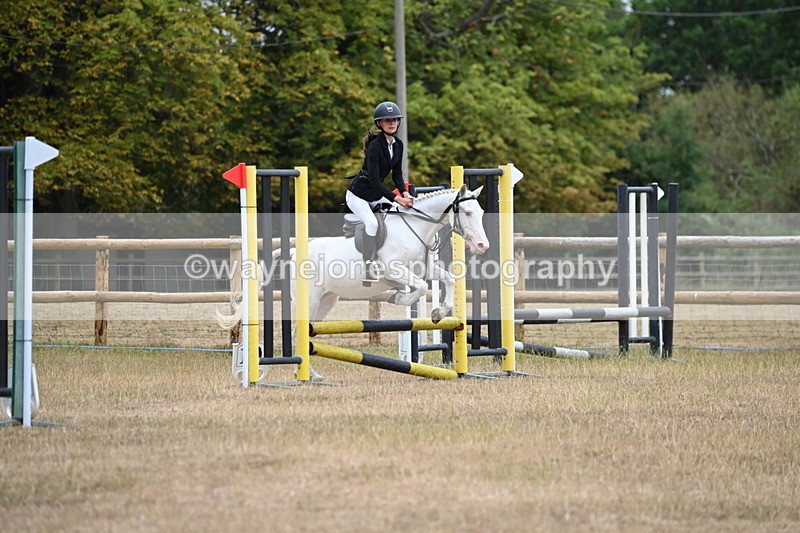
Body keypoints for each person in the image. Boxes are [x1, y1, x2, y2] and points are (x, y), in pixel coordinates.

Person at [346, 101, 414, 282]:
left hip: (376, 194)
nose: (392, 123)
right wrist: (397, 199)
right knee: (372, 224)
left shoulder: (398, 144)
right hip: (358, 195)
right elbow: (375, 182)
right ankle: (368, 267)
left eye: (395, 120)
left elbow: (397, 174)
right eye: (387, 120)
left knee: (398, 216)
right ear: (379, 123)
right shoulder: (375, 146)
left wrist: (405, 193)